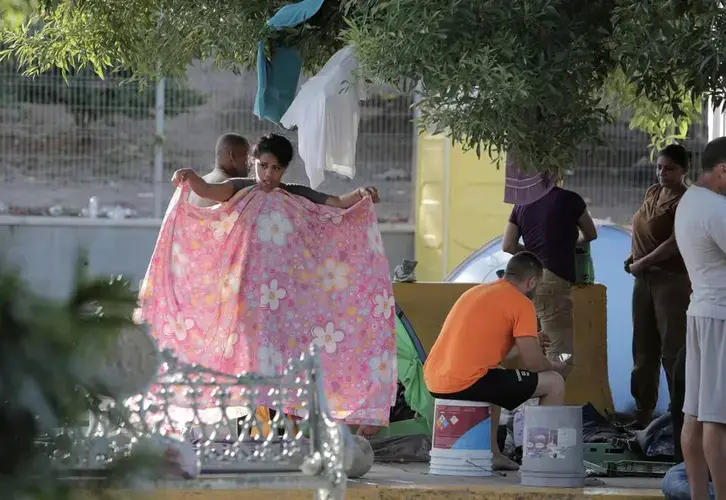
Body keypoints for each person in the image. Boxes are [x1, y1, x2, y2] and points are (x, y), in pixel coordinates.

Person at [423, 251, 566, 470]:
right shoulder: (521, 303)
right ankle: (544, 460)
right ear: (532, 282)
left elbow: (487, 353)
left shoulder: (475, 291)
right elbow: (535, 364)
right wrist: (555, 365)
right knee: (554, 382)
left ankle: (492, 453)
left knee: (496, 375)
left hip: (435, 379)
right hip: (466, 382)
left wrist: (526, 343)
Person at [502, 173, 597, 377]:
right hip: (554, 283)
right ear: (557, 175)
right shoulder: (571, 200)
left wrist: (534, 256)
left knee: (536, 348)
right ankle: (547, 401)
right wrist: (567, 245)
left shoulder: (522, 204)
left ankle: (532, 402)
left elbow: (508, 245)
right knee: (563, 355)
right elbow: (591, 234)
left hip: (526, 285)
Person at [674, 136, 726, 500]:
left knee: (693, 412)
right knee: (716, 416)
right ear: (723, 170)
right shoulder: (716, 210)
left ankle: (697, 496)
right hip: (720, 317)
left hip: (699, 311)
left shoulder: (690, 201)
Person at [625, 144, 692, 428]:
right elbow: (642, 227)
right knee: (642, 349)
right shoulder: (653, 191)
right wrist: (633, 258)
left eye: (669, 169)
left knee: (672, 350)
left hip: (671, 282)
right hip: (643, 280)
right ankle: (643, 415)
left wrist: (644, 262)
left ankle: (679, 417)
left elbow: (676, 242)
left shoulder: (685, 201)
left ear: (684, 170)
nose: (663, 173)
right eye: (660, 167)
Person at [174, 133, 380, 209]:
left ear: (285, 169)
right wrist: (190, 175)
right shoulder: (239, 187)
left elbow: (338, 203)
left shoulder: (293, 192)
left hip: (279, 282)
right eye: (263, 166)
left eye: (276, 168)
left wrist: (361, 193)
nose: (268, 175)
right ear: (253, 161)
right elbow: (207, 190)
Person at [188, 133, 250, 208]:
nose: (250, 163)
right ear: (232, 156)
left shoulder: (198, 185)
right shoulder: (228, 186)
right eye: (247, 156)